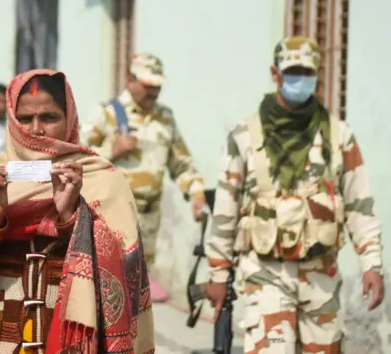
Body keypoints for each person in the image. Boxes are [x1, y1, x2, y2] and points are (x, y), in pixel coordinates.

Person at [0, 69, 155, 354]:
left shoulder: (102, 178)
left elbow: (123, 271)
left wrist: (72, 215)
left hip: (71, 336)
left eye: (49, 118)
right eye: (24, 118)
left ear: (69, 118)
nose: (36, 130)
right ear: (11, 119)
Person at [205, 37, 384, 354]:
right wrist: (218, 273)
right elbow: (225, 209)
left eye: (307, 71)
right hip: (266, 273)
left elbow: (359, 205)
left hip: (321, 276)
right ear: (275, 74)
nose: (299, 79)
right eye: (292, 72)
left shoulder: (338, 135)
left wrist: (372, 264)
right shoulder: (245, 135)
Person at [81, 53, 206, 302]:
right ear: (130, 80)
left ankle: (133, 339)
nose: (153, 93)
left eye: (157, 87)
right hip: (111, 213)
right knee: (108, 283)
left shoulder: (165, 118)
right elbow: (77, 158)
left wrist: (197, 192)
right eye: (148, 87)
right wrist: (112, 151)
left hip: (149, 217)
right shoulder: (107, 113)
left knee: (136, 288)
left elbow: (181, 162)